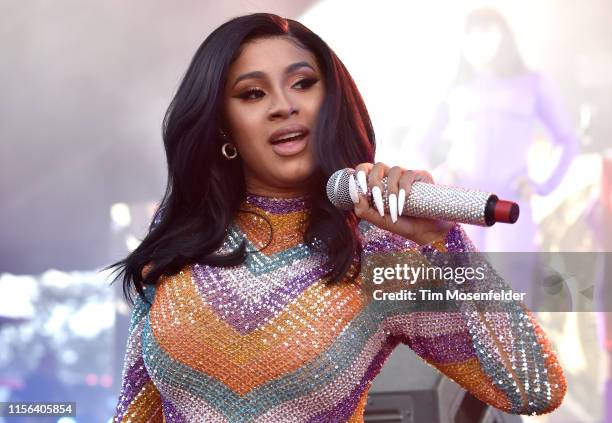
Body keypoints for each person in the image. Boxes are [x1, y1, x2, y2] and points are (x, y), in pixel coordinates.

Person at [108, 13, 566, 422]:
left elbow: (535, 388)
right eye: (252, 93)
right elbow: (136, 411)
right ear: (223, 124)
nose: (284, 104)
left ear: (330, 100)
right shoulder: (184, 230)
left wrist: (445, 245)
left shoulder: (377, 248)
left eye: (303, 83)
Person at [418, 7, 578, 253]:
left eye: (485, 32)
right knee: (462, 286)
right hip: (461, 205)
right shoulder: (453, 88)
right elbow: (420, 144)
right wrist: (439, 177)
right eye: (469, 34)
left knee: (511, 286)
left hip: (510, 203)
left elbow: (567, 140)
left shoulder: (533, 83)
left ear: (503, 36)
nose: (477, 41)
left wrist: (542, 184)